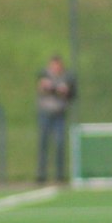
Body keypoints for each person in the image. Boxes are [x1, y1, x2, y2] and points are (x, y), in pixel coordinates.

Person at [36, 55, 75, 183]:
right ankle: (41, 174)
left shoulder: (66, 76)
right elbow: (43, 87)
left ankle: (59, 175)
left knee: (59, 143)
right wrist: (55, 89)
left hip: (59, 114)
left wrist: (58, 89)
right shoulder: (44, 74)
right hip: (45, 113)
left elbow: (68, 92)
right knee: (43, 144)